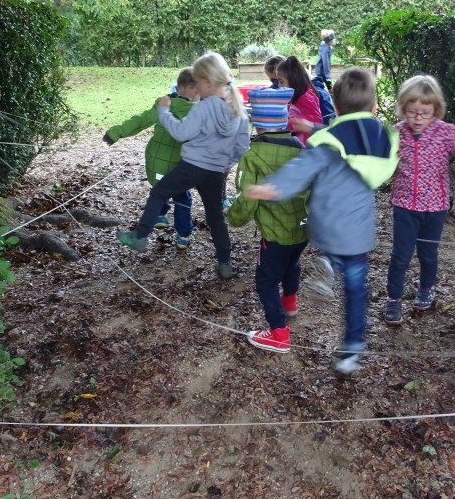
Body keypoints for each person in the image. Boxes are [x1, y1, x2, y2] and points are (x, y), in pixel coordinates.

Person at [243, 67, 399, 373]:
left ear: (336, 107)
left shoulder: (331, 141)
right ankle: (351, 350)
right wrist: (315, 126)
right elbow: (352, 136)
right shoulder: (380, 137)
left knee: (334, 255)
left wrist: (274, 187)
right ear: (373, 107)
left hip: (329, 224)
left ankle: (330, 262)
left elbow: (305, 165)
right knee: (356, 292)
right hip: (360, 232)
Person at [118, 52, 250, 279]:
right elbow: (242, 145)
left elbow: (180, 133)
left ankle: (140, 236)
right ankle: (225, 263)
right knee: (216, 218)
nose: (196, 89)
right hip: (216, 172)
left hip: (192, 167)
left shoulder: (203, 107)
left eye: (197, 83)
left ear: (207, 81)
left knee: (159, 192)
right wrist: (228, 163)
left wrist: (164, 111)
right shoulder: (238, 110)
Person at [384, 74, 455, 325]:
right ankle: (393, 299)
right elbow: (379, 158)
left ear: (436, 110)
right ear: (402, 108)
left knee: (427, 253)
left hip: (435, 207)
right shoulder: (397, 133)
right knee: (400, 255)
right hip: (405, 205)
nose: (418, 118)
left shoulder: (446, 132)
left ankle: (426, 288)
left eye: (425, 113)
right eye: (412, 112)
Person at [225, 94, 308, 353]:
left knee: (265, 281)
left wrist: (232, 215)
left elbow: (247, 199)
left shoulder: (252, 156)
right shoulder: (302, 148)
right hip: (303, 228)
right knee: (292, 263)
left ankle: (278, 334)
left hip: (275, 233)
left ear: (256, 122)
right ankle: (289, 302)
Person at [103, 68, 200, 250]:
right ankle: (183, 236)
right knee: (182, 198)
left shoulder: (162, 105)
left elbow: (140, 121)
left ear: (178, 87)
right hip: (179, 165)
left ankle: (160, 215)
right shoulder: (197, 112)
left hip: (155, 162)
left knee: (159, 189)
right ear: (197, 92)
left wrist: (115, 133)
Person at [276, 56, 323, 145]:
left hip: (308, 145)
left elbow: (317, 120)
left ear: (294, 80)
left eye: (281, 82)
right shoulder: (298, 96)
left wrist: (293, 122)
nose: (279, 85)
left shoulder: (305, 98)